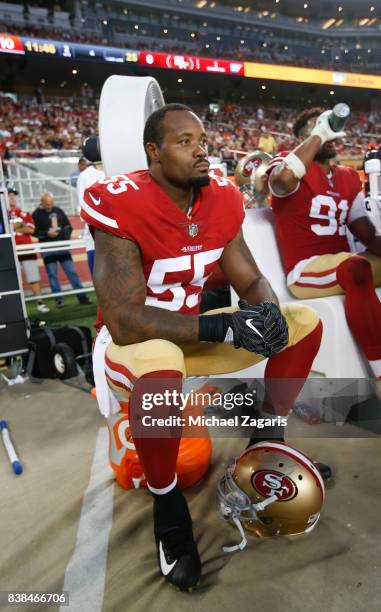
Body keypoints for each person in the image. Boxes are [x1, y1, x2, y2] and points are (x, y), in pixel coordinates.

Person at [82, 104, 324, 591]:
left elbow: (250, 276)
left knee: (305, 323)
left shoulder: (219, 198)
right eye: (185, 141)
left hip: (190, 333)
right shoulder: (119, 200)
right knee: (161, 365)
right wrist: (223, 329)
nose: (201, 150)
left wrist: (267, 312)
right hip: (134, 344)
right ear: (153, 151)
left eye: (201, 139)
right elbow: (127, 320)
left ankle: (265, 443)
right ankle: (169, 515)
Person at [265, 107, 381, 386]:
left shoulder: (348, 177)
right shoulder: (286, 166)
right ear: (304, 139)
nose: (327, 134)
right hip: (305, 270)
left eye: (329, 128)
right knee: (356, 267)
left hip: (345, 262)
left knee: (357, 264)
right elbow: (281, 181)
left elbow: (363, 230)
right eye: (317, 129)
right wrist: (319, 132)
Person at [32, 192, 91, 307]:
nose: (49, 206)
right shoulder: (36, 214)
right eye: (47, 204)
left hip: (62, 247)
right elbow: (34, 231)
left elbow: (68, 227)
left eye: (51, 203)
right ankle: (59, 300)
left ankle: (82, 296)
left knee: (72, 272)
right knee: (52, 275)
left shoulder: (58, 210)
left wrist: (63, 236)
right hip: (47, 248)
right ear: (42, 202)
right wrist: (46, 234)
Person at [7, 185, 49, 313]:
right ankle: (12, 306)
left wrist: (15, 226)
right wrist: (19, 226)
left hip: (26, 249)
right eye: (9, 195)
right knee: (9, 279)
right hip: (8, 251)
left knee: (33, 277)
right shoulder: (3, 213)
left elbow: (30, 230)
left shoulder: (23, 213)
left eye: (14, 195)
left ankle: (39, 303)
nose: (12, 198)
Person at [76, 159, 105, 275]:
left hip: (121, 235)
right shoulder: (85, 176)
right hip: (95, 237)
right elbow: (83, 210)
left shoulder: (117, 169)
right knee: (101, 280)